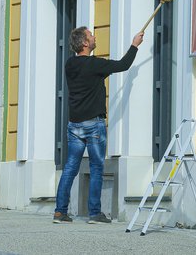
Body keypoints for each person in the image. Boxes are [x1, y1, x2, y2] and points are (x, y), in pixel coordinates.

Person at [53, 26, 144, 224]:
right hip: (93, 124)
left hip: (74, 125)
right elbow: (123, 65)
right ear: (85, 43)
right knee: (96, 167)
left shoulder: (70, 64)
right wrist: (134, 45)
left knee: (70, 167)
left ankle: (60, 212)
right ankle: (94, 213)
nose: (94, 37)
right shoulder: (94, 65)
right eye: (91, 35)